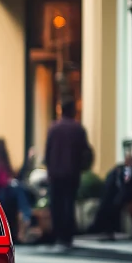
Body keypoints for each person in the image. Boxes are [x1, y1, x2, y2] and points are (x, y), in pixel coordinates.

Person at [44, 98, 91, 250]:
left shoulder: (53, 128)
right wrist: (82, 167)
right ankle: (67, 236)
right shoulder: (78, 129)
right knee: (69, 204)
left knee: (56, 205)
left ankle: (58, 235)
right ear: (72, 111)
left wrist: (50, 168)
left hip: (56, 174)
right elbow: (86, 151)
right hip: (71, 173)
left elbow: (47, 152)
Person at [0, 139, 33, 230]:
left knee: (19, 187)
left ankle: (26, 216)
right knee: (19, 189)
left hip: (4, 190)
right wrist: (6, 181)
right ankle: (26, 216)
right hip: (1, 191)